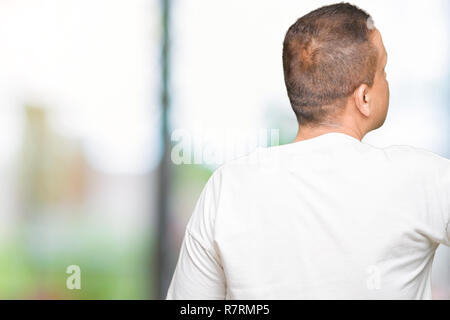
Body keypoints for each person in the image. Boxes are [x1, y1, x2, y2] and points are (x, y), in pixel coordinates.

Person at [166, 2, 450, 299]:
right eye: (384, 70)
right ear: (364, 98)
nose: (387, 80)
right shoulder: (421, 179)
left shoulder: (227, 188)